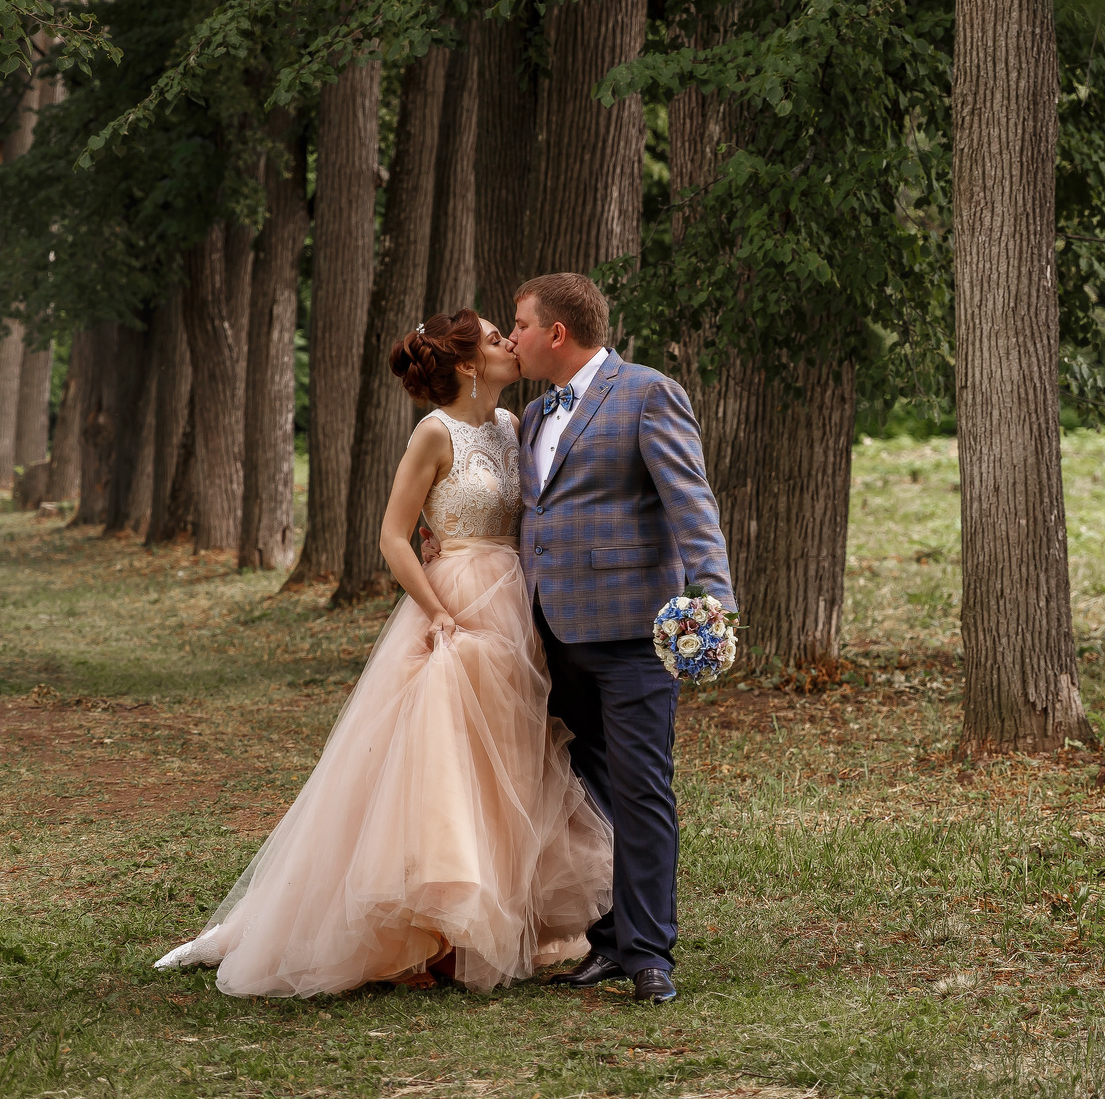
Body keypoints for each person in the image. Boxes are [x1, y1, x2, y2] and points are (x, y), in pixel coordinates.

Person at [153, 310, 613, 996]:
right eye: (494, 338)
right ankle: (420, 932)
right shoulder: (435, 432)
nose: (507, 344)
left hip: (513, 605)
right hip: (453, 602)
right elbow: (394, 536)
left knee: (511, 762)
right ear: (465, 364)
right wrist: (439, 612)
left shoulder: (515, 426)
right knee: (441, 764)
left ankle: (486, 922)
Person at [511, 272, 737, 1007]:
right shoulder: (537, 411)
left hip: (633, 629)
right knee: (588, 786)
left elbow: (691, 500)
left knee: (642, 788)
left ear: (556, 333)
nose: (511, 337)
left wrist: (714, 600)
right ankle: (608, 938)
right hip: (554, 630)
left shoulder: (647, 392)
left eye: (520, 324)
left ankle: (649, 952)